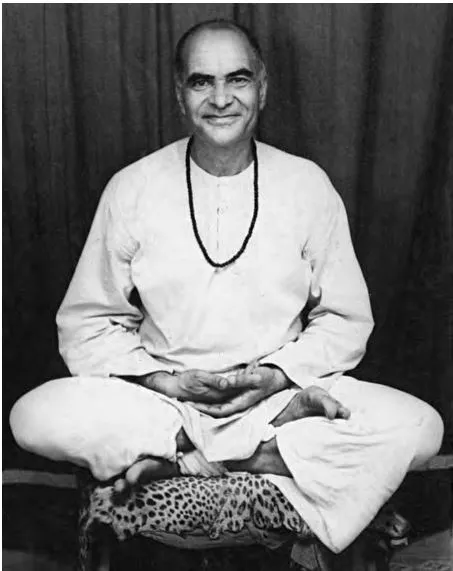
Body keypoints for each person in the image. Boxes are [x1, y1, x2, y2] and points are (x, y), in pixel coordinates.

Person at [10, 19, 443, 553]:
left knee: (422, 427)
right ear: (179, 94)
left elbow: (344, 319)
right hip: (164, 404)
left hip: (278, 402)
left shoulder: (307, 185)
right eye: (201, 82)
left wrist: (277, 377)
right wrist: (166, 383)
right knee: (32, 417)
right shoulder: (132, 188)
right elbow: (88, 323)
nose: (220, 99)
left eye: (237, 79)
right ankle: (254, 460)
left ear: (262, 87)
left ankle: (190, 460)